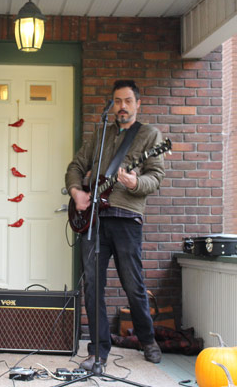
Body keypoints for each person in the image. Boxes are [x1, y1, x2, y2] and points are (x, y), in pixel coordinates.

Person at [65, 79, 165, 369]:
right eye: (117, 101)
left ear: (138, 104)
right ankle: (98, 351)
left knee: (133, 284)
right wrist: (77, 193)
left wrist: (135, 182)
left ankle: (147, 339)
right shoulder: (100, 135)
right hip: (94, 219)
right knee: (92, 285)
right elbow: (75, 167)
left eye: (128, 101)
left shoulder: (150, 135)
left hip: (126, 219)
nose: (122, 106)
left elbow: (155, 177)